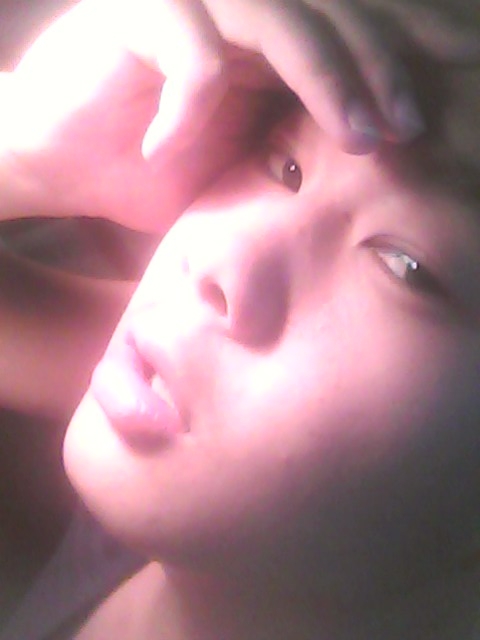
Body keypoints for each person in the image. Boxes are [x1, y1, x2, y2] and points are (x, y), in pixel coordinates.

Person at [1, 1, 480, 639]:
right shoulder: (204, 465)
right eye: (285, 166)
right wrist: (18, 149)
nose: (220, 258)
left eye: (406, 267)